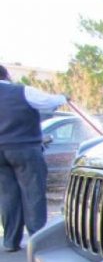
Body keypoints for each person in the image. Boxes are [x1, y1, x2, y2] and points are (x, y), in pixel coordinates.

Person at [0, 65, 68, 252]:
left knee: (8, 196)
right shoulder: (22, 91)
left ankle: (10, 241)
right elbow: (48, 102)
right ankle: (36, 240)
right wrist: (63, 98)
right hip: (25, 148)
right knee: (33, 193)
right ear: (7, 75)